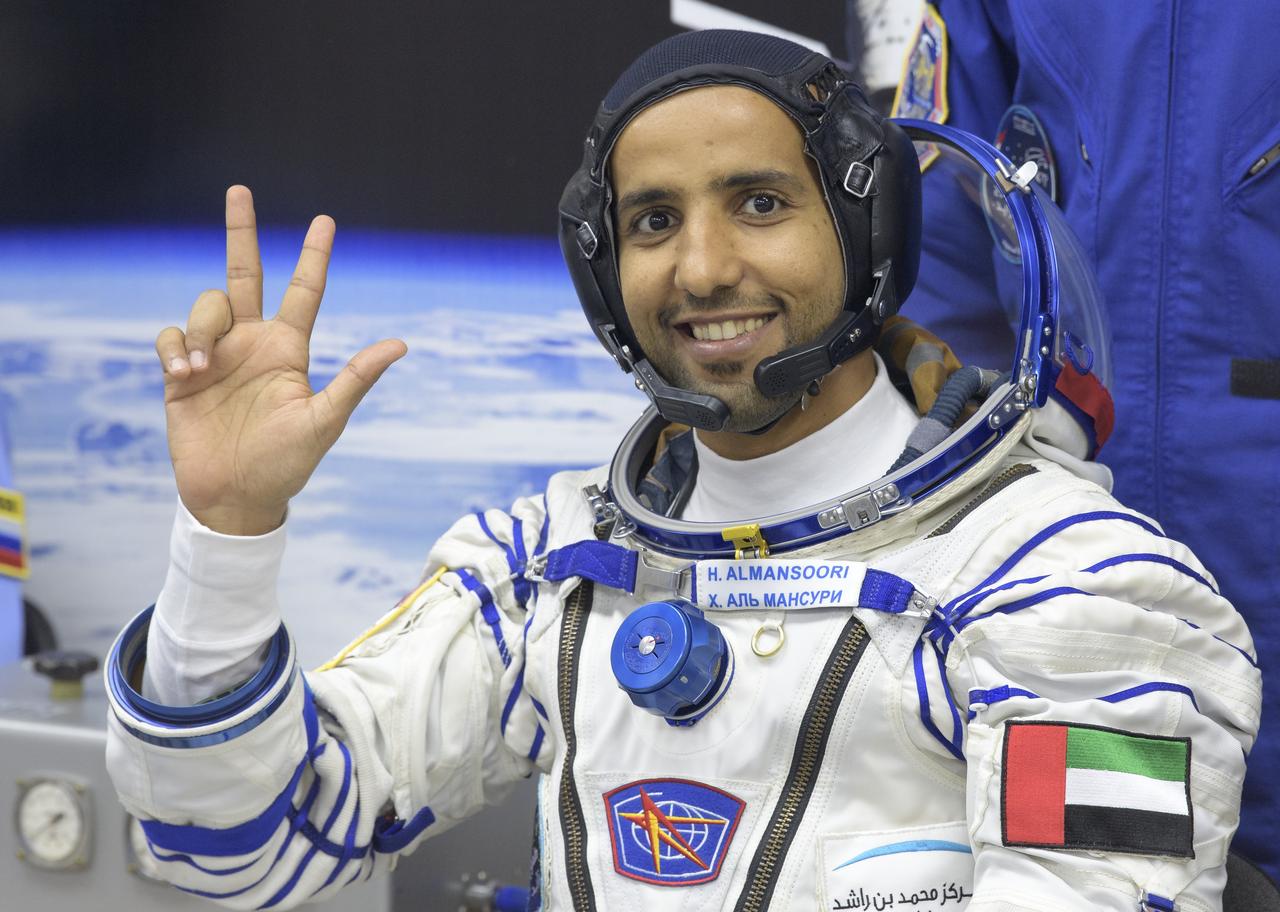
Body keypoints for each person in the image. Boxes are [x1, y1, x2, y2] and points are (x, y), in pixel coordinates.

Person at [104, 30, 1260, 910]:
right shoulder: (547, 568)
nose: (701, 269)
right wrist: (230, 531)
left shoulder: (1072, 593)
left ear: (866, 235)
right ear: (604, 271)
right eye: (651, 223)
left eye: (758, 204)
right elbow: (235, 844)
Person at [887, 0, 1280, 878]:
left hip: (1234, 528)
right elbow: (941, 240)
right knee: (1100, 873)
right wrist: (975, 486)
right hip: (1075, 581)